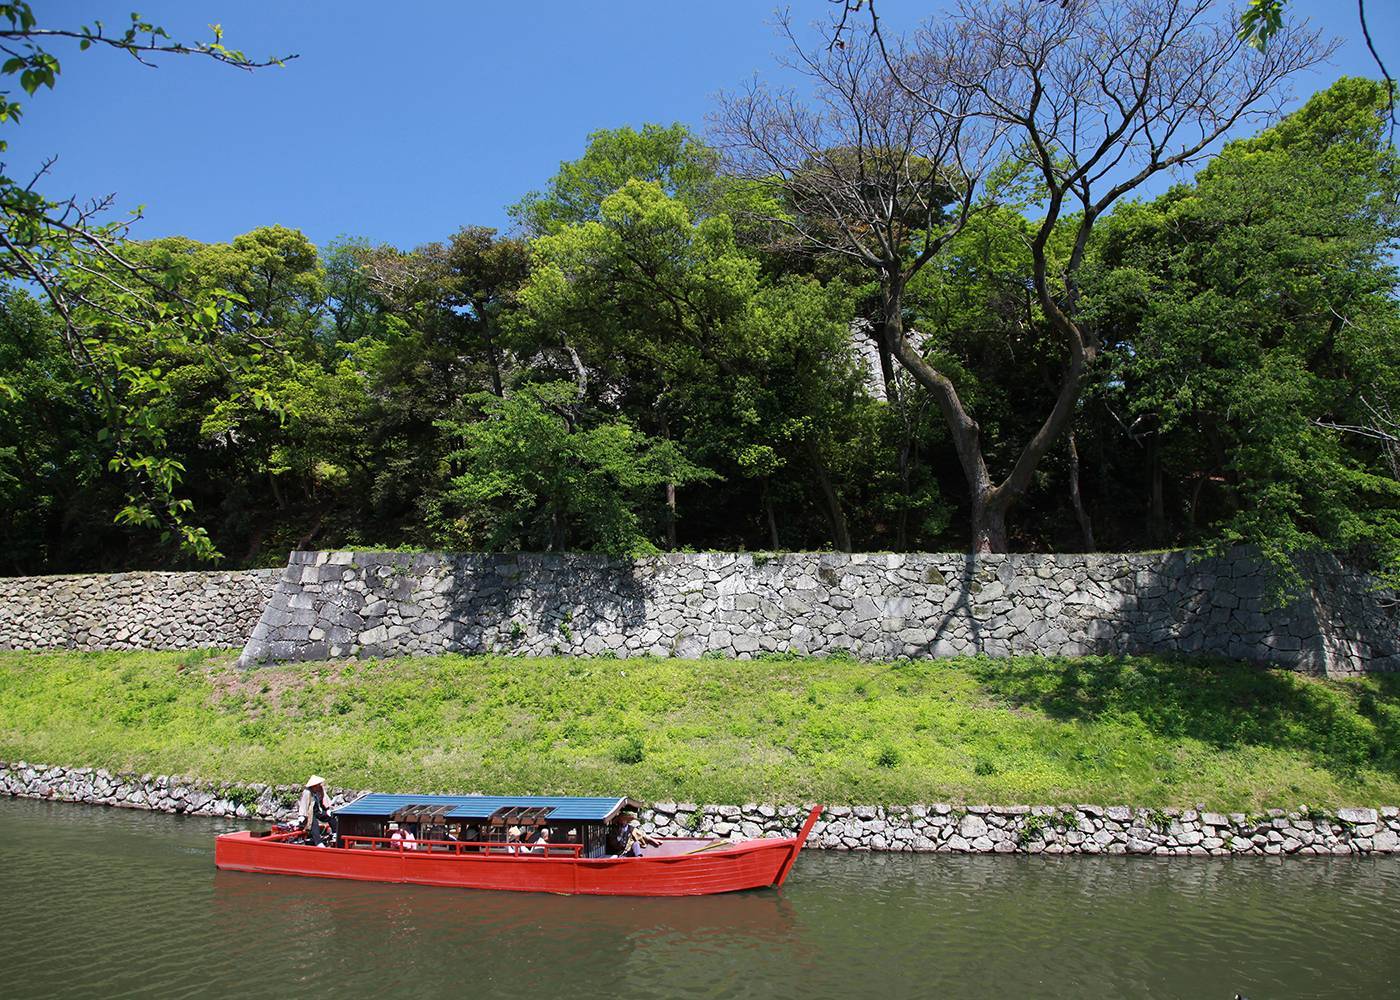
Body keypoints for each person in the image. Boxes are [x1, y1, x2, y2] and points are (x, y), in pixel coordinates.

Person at [296, 775, 335, 847]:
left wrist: (328, 810)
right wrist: (302, 815)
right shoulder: (307, 792)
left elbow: (325, 800)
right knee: (314, 824)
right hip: (309, 813)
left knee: (331, 816)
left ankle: (335, 834)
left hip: (318, 810)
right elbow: (304, 804)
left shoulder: (320, 790)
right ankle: (318, 843)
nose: (319, 786)